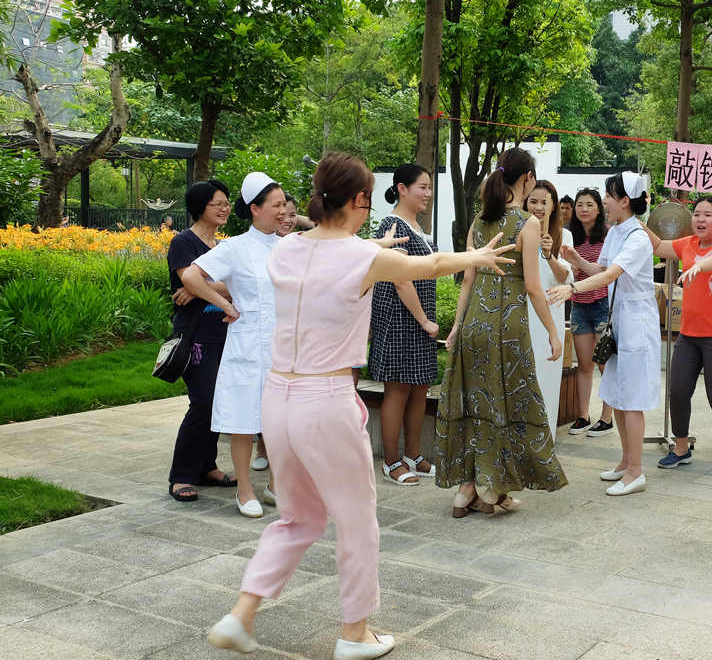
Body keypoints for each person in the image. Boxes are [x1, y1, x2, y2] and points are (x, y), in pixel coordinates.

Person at [206, 150, 515, 660]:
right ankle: (354, 634)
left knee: (297, 519)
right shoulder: (361, 257)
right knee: (355, 520)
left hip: (277, 398)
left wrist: (367, 242)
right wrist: (476, 258)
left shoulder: (284, 250)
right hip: (325, 401)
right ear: (358, 200)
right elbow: (430, 264)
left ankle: (242, 613)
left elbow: (323, 251)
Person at [437, 147, 567, 516]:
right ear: (527, 178)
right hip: (506, 326)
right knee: (508, 402)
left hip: (474, 323)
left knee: (475, 402)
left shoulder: (480, 222)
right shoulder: (527, 223)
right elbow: (532, 287)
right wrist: (554, 333)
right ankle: (492, 490)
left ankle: (466, 489)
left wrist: (457, 327)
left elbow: (466, 280)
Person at [547, 173, 659, 496]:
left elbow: (611, 274)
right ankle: (626, 461)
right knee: (619, 395)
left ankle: (636, 471)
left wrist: (572, 288)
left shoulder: (637, 237)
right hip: (620, 318)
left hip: (636, 321)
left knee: (632, 398)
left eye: (609, 196)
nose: (604, 201)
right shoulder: (616, 233)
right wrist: (577, 260)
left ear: (625, 201)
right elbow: (601, 268)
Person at [182, 173, 286, 518]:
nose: (283, 210)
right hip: (246, 343)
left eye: (285, 203)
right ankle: (244, 489)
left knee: (279, 420)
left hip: (283, 344)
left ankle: (275, 486)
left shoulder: (290, 246)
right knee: (243, 419)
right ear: (255, 209)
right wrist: (226, 305)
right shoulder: (235, 247)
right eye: (276, 205)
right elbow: (192, 276)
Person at [637, 196, 712, 476]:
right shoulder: (688, 244)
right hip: (688, 335)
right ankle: (681, 448)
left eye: (708, 215)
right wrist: (633, 221)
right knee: (679, 391)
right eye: (697, 214)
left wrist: (700, 265)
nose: (700, 219)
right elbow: (659, 246)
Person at [368, 163, 439, 487]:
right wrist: (424, 320)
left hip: (419, 319)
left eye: (428, 187)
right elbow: (400, 280)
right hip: (400, 317)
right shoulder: (391, 226)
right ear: (402, 188)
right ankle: (392, 461)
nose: (427, 193)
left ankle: (414, 455)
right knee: (397, 389)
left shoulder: (416, 225)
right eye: (422, 187)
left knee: (420, 386)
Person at [166, 180, 235, 503]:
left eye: (226, 203)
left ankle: (207, 466)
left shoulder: (223, 246)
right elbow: (188, 281)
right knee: (203, 402)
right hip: (196, 336)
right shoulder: (184, 243)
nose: (225, 208)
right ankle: (181, 475)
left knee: (218, 403)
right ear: (199, 208)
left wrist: (201, 284)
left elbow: (237, 284)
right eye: (217, 204)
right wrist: (203, 283)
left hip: (225, 334)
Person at [254, 191, 303, 473]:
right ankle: (262, 445)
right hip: (267, 328)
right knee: (267, 390)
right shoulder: (263, 246)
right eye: (280, 210)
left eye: (293, 213)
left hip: (296, 328)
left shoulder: (300, 246)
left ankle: (285, 453)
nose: (287, 218)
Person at [560, 188, 614, 436]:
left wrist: (578, 264)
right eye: (579, 204)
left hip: (602, 304)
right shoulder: (570, 238)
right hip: (579, 305)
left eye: (589, 205)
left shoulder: (608, 236)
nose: (583, 209)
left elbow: (603, 272)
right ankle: (583, 416)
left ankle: (607, 418)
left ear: (599, 209)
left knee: (605, 364)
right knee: (584, 364)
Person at [525, 179, 574, 434]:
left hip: (549, 315)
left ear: (554, 205)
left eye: (545, 202)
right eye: (533, 201)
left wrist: (549, 254)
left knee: (546, 380)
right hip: (522, 313)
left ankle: (546, 444)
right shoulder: (519, 229)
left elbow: (565, 278)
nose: (539, 207)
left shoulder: (563, 235)